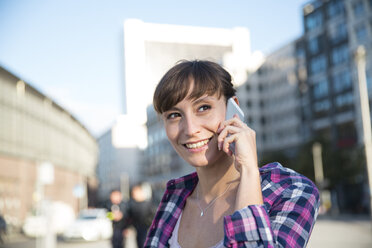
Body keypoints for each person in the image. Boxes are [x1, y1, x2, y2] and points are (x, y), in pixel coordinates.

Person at [144, 60, 320, 248]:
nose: (190, 129)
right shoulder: (174, 198)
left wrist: (249, 170)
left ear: (233, 109)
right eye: (174, 115)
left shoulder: (292, 191)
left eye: (203, 108)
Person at [126, 182, 155, 248]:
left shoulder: (148, 203)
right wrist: (129, 227)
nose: (135, 194)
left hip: (147, 229)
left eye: (137, 192)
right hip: (137, 229)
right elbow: (129, 217)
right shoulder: (131, 204)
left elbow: (153, 215)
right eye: (134, 193)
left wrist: (149, 223)